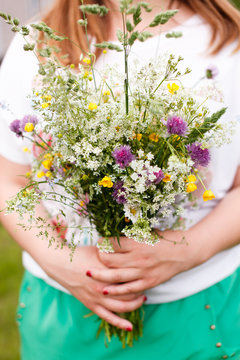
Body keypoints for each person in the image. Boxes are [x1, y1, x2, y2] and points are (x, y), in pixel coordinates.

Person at [0, 0, 240, 359]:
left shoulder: (228, 48)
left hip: (197, 310)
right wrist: (63, 262)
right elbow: (10, 182)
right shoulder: (38, 46)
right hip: (64, 309)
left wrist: (187, 250)